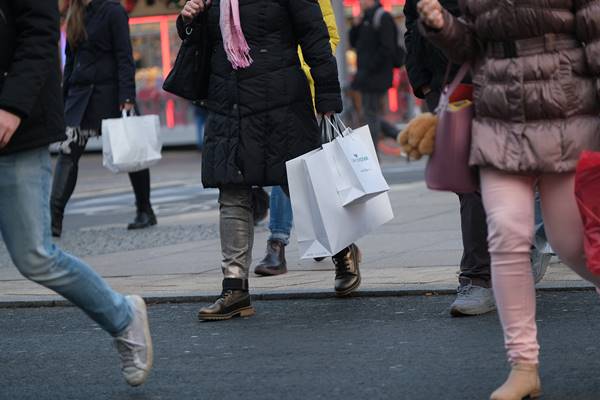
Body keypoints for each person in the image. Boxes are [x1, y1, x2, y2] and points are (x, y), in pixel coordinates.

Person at [417, 1, 600, 399]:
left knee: (573, 245)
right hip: (497, 116)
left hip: (567, 113)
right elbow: (468, 45)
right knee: (505, 235)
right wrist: (441, 25)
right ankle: (523, 366)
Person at [0, 0, 152, 386]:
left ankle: (122, 314)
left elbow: (42, 37)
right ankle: (59, 213)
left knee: (35, 255)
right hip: (76, 100)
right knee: (69, 161)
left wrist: (14, 105)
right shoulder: (81, 15)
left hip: (18, 122)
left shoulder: (111, 11)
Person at [180, 0, 349, 321]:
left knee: (302, 188)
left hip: (281, 99)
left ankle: (342, 251)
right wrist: (189, 18)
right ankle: (234, 288)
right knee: (231, 190)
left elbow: (316, 38)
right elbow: (203, 40)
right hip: (228, 101)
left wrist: (327, 97)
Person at [404, 0, 552, 317]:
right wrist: (422, 79)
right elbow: (411, 20)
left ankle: (520, 246)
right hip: (446, 82)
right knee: (467, 181)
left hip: (501, 76)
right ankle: (479, 279)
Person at [254, 0, 352, 280]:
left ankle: (298, 240)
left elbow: (328, 35)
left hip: (304, 92)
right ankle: (288, 242)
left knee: (305, 172)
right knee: (286, 169)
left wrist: (297, 69)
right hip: (272, 95)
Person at [51, 0, 157, 237]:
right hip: (79, 98)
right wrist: (63, 98)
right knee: (68, 154)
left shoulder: (113, 10)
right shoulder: (75, 13)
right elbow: (70, 61)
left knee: (131, 150)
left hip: (109, 95)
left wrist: (128, 96)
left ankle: (145, 210)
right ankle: (54, 217)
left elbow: (124, 55)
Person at [349, 0, 396, 156]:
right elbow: (354, 43)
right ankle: (395, 135)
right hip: (366, 75)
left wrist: (369, 67)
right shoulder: (365, 19)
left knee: (371, 114)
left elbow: (388, 47)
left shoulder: (382, 17)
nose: (361, 2)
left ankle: (374, 153)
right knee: (370, 113)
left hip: (376, 76)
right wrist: (355, 26)